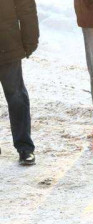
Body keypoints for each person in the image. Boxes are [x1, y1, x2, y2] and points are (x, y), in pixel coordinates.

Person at [0, 0, 38, 165]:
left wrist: (30, 39)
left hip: (7, 42)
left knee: (16, 96)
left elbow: (26, 6)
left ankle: (25, 147)